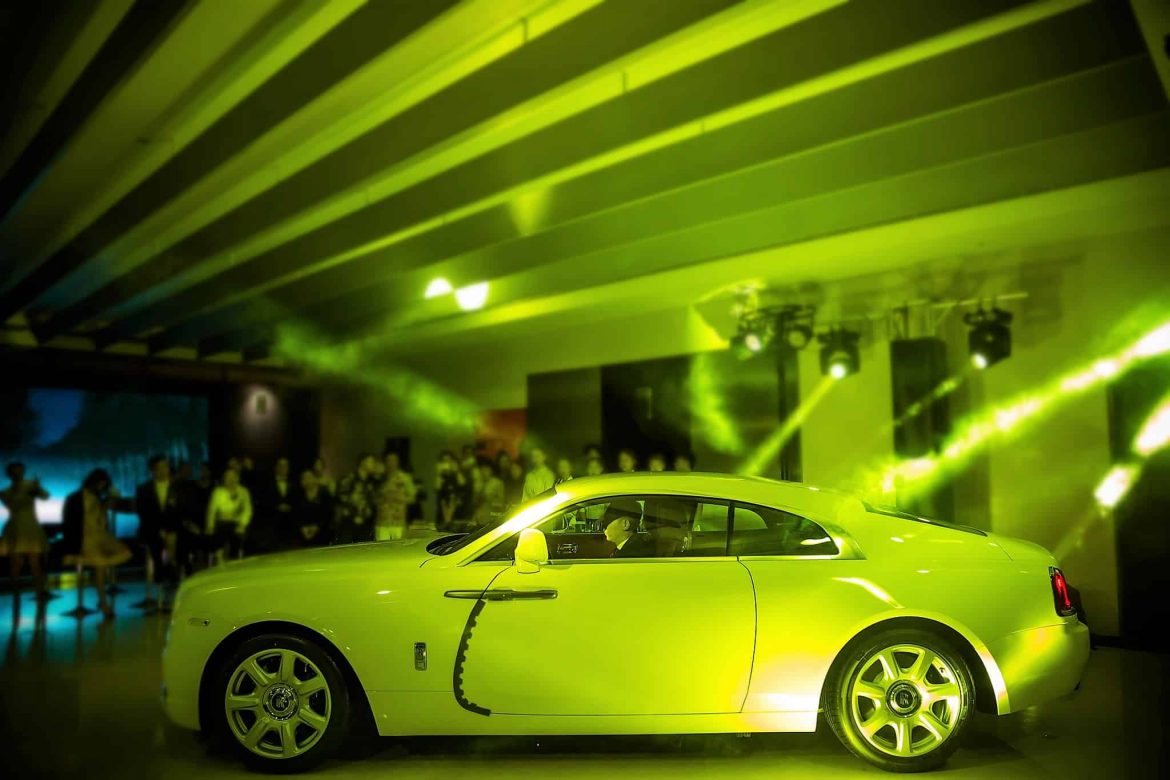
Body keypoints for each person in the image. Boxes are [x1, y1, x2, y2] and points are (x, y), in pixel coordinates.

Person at [78, 469, 132, 618]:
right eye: (101, 483)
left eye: (104, 484)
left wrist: (107, 503)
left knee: (124, 554)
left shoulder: (92, 496)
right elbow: (90, 516)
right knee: (101, 567)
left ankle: (102, 600)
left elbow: (98, 517)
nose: (102, 486)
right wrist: (106, 504)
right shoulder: (85, 496)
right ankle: (103, 602)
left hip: (98, 534)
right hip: (88, 536)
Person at [1, 462, 49, 599]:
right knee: (15, 561)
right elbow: (14, 506)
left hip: (29, 526)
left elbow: (45, 496)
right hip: (16, 526)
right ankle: (16, 591)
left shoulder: (29, 486)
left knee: (34, 560)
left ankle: (39, 590)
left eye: (20, 471)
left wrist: (37, 488)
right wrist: (32, 490)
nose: (18, 474)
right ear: (10, 474)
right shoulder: (5, 492)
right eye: (15, 471)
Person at [135, 455, 183, 585]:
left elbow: (182, 511)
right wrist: (159, 529)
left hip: (175, 527)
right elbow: (143, 513)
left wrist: (169, 529)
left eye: (165, 466)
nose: (163, 470)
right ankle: (162, 570)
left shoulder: (179, 487)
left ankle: (172, 567)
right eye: (159, 467)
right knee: (155, 541)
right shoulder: (143, 489)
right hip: (151, 527)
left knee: (175, 538)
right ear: (153, 470)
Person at [205, 467, 252, 564]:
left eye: (232, 477)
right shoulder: (217, 492)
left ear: (237, 478)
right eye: (227, 477)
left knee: (239, 534)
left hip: (237, 523)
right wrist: (210, 526)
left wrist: (242, 524)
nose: (230, 479)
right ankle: (219, 557)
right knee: (217, 532)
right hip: (221, 523)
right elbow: (211, 511)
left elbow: (248, 510)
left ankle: (235, 559)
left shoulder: (244, 491)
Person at [253, 456, 295, 552]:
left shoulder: (294, 483)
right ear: (276, 467)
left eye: (285, 465)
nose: (283, 468)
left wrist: (290, 507)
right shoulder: (267, 483)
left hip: (290, 524)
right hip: (272, 524)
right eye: (281, 465)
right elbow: (263, 501)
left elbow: (297, 501)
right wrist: (277, 507)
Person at [334, 454, 378, 544]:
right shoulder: (348, 479)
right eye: (371, 462)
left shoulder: (372, 482)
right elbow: (341, 501)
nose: (374, 464)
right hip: (348, 525)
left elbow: (373, 503)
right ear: (362, 463)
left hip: (366, 526)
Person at [375, 452, 416, 541]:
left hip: (398, 522)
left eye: (394, 460)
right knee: (382, 550)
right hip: (382, 522)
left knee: (398, 550)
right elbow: (373, 498)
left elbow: (412, 498)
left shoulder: (404, 478)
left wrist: (399, 498)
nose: (391, 463)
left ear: (398, 462)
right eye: (388, 460)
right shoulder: (378, 478)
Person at [293, 470, 333, 547]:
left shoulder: (324, 492)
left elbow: (329, 513)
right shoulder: (297, 495)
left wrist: (317, 527)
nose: (307, 480)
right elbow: (296, 514)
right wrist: (303, 528)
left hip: (323, 532)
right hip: (304, 534)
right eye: (304, 478)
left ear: (314, 478)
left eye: (309, 477)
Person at [435, 451, 465, 528]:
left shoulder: (457, 474)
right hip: (443, 509)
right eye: (444, 461)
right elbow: (437, 488)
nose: (447, 464)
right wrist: (439, 473)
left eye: (449, 461)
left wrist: (456, 470)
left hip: (457, 509)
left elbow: (462, 483)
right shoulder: (441, 476)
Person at [473, 459, 505, 527]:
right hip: (477, 516)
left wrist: (489, 499)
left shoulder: (497, 483)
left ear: (491, 470)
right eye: (482, 470)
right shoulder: (477, 483)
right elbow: (473, 500)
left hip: (490, 516)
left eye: (486, 470)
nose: (484, 472)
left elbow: (501, 501)